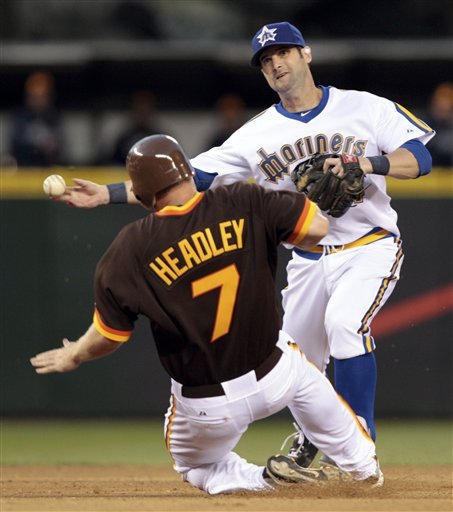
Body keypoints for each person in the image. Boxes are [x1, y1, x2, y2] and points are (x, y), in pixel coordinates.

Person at [50, 21, 435, 473]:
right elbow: (185, 179)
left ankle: (357, 443)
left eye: (284, 52)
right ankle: (310, 446)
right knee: (299, 362)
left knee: (346, 325)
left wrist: (367, 164)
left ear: (306, 54)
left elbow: (421, 157)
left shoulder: (364, 106)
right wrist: (108, 193)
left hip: (368, 245)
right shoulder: (256, 135)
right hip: (308, 259)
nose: (276, 63)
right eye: (266, 60)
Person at [31, 134, 384, 494]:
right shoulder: (244, 200)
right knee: (301, 367)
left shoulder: (130, 248)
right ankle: (362, 464)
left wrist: (75, 353)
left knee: (193, 465)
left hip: (208, 407)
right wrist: (313, 202)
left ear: (143, 193)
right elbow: (317, 230)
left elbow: (109, 336)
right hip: (275, 377)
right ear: (188, 171)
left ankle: (262, 481)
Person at [9, 71, 63, 167]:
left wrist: (52, 145)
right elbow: (15, 145)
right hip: (25, 169)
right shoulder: (21, 118)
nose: (39, 101)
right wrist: (37, 144)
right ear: (28, 97)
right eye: (36, 97)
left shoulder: (53, 117)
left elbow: (61, 147)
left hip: (47, 168)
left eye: (43, 96)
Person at [423, 82, 453, 167]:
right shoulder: (422, 124)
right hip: (426, 171)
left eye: (446, 110)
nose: (442, 113)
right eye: (439, 108)